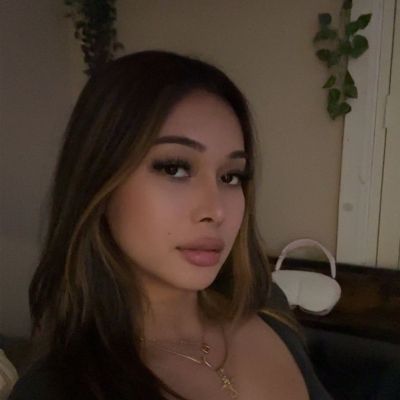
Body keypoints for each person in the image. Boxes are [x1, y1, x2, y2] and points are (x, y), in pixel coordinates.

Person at [9, 50, 332, 400]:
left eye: (231, 176)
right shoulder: (56, 390)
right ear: (99, 182)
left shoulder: (267, 305)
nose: (216, 211)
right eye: (174, 168)